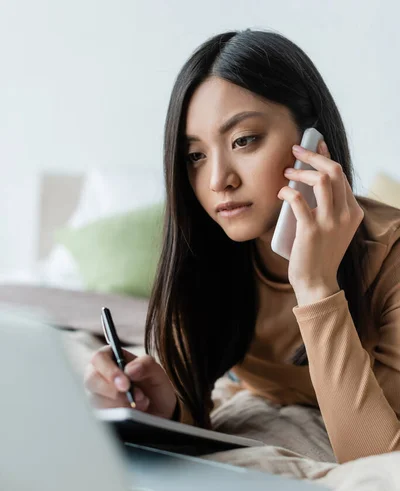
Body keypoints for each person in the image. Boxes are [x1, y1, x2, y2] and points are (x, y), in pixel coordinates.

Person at [84, 28, 400, 464]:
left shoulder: (391, 254)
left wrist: (315, 285)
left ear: (313, 143)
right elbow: (196, 406)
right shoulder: (209, 251)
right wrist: (166, 408)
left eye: (243, 140)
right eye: (195, 155)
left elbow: (377, 463)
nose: (218, 182)